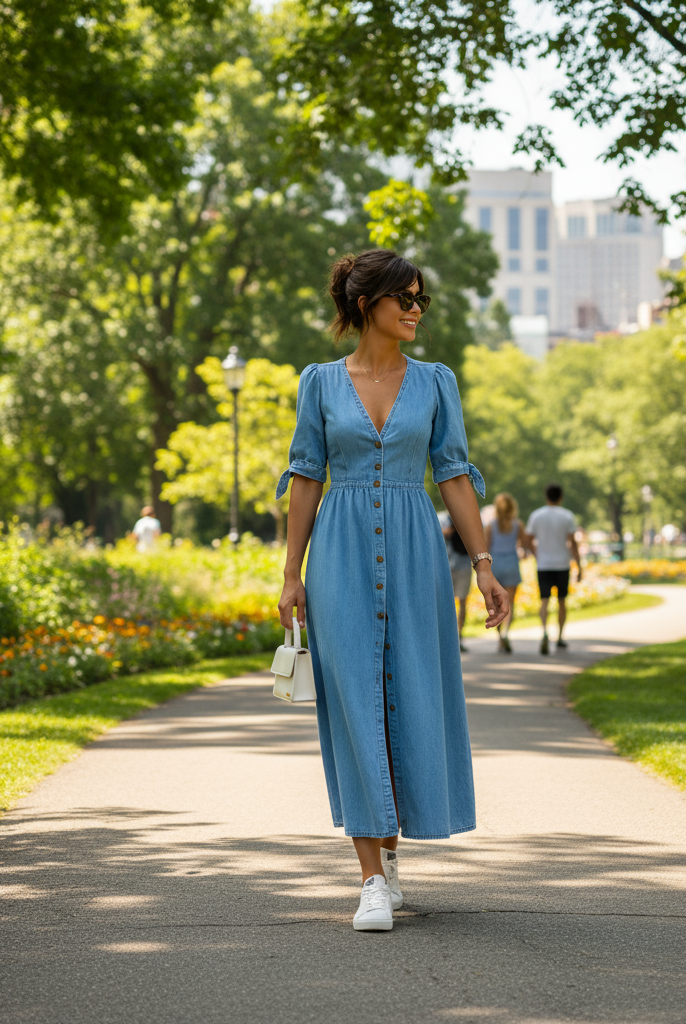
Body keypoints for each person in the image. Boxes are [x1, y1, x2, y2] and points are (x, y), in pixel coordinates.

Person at [276, 249, 509, 933]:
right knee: (354, 704)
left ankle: (393, 848)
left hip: (415, 555)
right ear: (365, 303)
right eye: (403, 298)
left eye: (420, 300)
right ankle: (370, 878)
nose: (414, 310)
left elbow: (456, 476)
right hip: (340, 555)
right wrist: (292, 572)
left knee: (405, 695)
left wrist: (486, 564)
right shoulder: (319, 383)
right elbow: (307, 475)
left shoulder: (436, 382)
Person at [524, 483, 582, 655]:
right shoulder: (567, 516)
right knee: (562, 601)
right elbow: (573, 543)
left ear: (546, 496)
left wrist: (536, 554)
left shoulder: (537, 515)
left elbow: (527, 539)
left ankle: (544, 632)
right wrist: (579, 565)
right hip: (562, 564)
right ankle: (560, 637)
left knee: (544, 600)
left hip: (544, 564)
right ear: (561, 497)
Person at [485, 492, 528, 653]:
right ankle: (505, 633)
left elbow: (486, 548)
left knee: (497, 604)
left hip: (495, 565)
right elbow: (524, 545)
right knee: (509, 603)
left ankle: (499, 636)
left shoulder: (490, 526)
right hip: (511, 563)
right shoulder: (518, 524)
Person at [441, 514, 472, 652]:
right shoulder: (443, 519)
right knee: (447, 604)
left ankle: (459, 637)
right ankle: (448, 638)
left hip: (462, 566)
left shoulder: (468, 518)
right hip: (447, 566)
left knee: (462, 602)